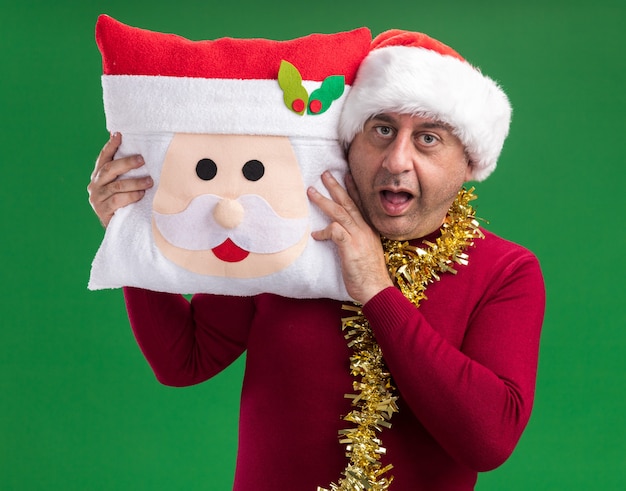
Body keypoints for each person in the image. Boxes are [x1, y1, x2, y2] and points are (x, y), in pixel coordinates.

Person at [88, 29, 545, 491]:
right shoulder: (288, 232)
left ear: (468, 162)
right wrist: (132, 229)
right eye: (382, 130)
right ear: (348, 143)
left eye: (428, 138)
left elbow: (488, 441)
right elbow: (182, 361)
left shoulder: (505, 270)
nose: (397, 160)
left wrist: (375, 289)